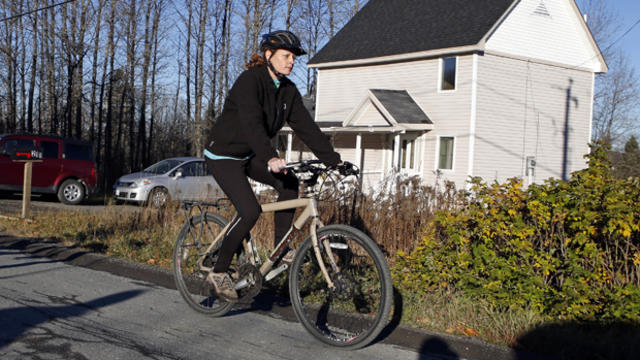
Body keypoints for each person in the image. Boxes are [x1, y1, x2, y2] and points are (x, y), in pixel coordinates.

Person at [203, 30, 342, 301]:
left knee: (289, 182)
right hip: (224, 155)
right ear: (268, 55)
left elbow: (306, 127)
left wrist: (333, 159)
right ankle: (219, 272)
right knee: (250, 210)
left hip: (250, 154)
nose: (291, 62)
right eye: (286, 56)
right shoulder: (249, 81)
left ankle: (280, 250)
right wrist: (270, 157)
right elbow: (252, 125)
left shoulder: (288, 90)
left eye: (293, 57)